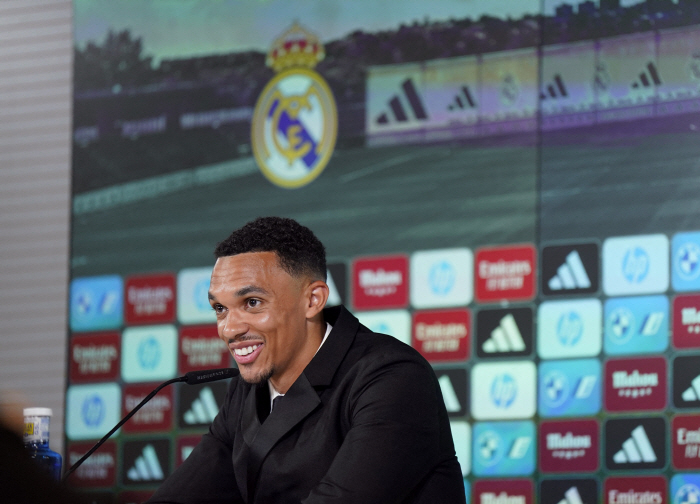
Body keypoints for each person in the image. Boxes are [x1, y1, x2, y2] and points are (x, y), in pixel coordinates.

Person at [149, 217, 465, 504]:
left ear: (312, 300)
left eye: (252, 302)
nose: (229, 329)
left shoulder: (393, 377)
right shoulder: (247, 388)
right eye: (220, 308)